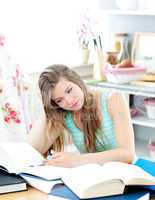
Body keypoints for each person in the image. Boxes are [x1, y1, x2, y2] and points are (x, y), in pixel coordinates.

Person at [28, 64, 135, 168]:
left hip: (125, 174)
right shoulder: (64, 113)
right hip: (97, 177)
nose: (69, 101)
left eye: (69, 90)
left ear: (77, 80)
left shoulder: (113, 99)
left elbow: (127, 154)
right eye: (59, 100)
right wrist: (46, 107)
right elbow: (32, 151)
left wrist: (77, 160)